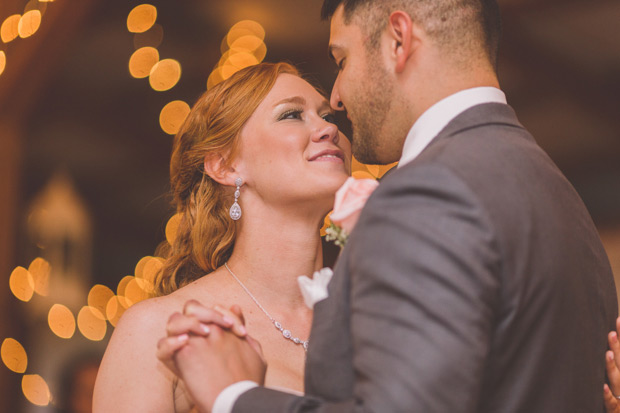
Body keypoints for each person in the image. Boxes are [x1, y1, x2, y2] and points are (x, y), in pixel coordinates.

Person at [157, 0, 618, 412]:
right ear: (222, 165)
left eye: (342, 59)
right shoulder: (560, 196)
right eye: (293, 114)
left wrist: (235, 398)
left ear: (398, 39)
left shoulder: (430, 192)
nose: (336, 103)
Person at [91, 62, 352, 412]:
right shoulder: (161, 330)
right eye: (292, 114)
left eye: (328, 117)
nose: (327, 129)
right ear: (225, 166)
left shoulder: (376, 315)